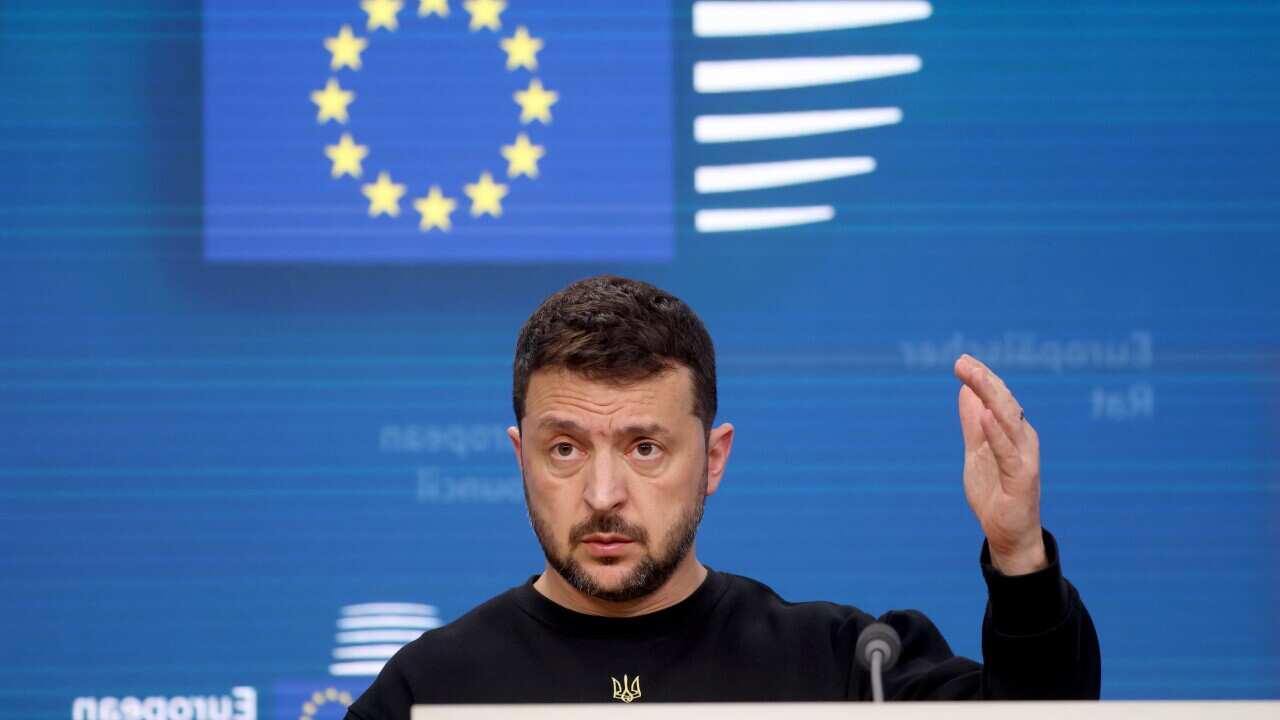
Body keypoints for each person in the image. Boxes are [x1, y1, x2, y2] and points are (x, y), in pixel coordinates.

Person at [346, 276, 1100, 717]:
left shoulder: (845, 667)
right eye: (566, 449)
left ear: (713, 458)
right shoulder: (429, 692)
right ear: (521, 458)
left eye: (645, 449)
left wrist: (1018, 555)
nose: (603, 494)